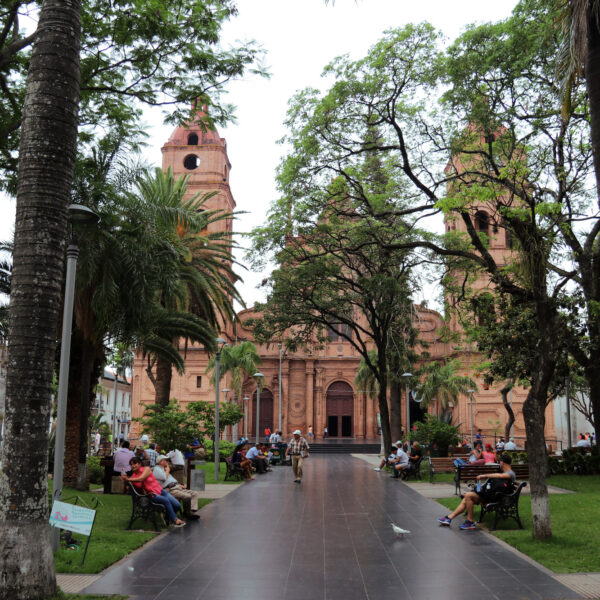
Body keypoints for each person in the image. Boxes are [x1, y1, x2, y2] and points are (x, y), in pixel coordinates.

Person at [438, 453, 517, 530]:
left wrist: (484, 475)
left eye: (500, 462)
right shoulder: (508, 473)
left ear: (502, 463)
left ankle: (469, 521)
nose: (499, 464)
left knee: (468, 496)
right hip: (495, 497)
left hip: (500, 499)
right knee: (467, 497)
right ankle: (450, 518)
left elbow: (501, 476)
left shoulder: (510, 473)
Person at [122, 457, 185, 527]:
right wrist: (125, 480)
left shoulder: (146, 469)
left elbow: (141, 478)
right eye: (131, 464)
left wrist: (128, 479)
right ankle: (175, 519)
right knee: (166, 500)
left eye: (135, 463)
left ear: (139, 464)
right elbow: (128, 489)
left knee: (177, 505)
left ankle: (167, 517)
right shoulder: (133, 477)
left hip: (161, 491)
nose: (133, 466)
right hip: (151, 495)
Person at [153, 455, 201, 519]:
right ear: (160, 461)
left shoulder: (164, 469)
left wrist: (178, 484)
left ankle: (191, 512)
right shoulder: (157, 469)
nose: (168, 462)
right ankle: (188, 514)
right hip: (169, 489)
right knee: (187, 496)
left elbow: (172, 479)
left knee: (195, 493)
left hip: (176, 487)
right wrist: (167, 470)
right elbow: (164, 478)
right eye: (166, 460)